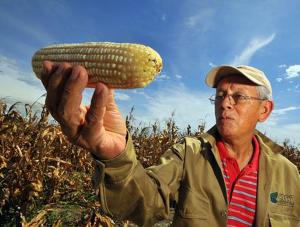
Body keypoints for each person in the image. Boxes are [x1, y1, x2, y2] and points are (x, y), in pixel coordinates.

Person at [41, 61, 300, 227]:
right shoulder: (189, 153)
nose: (225, 103)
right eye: (220, 95)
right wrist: (116, 156)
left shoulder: (289, 173)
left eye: (238, 96)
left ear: (264, 111)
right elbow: (142, 206)